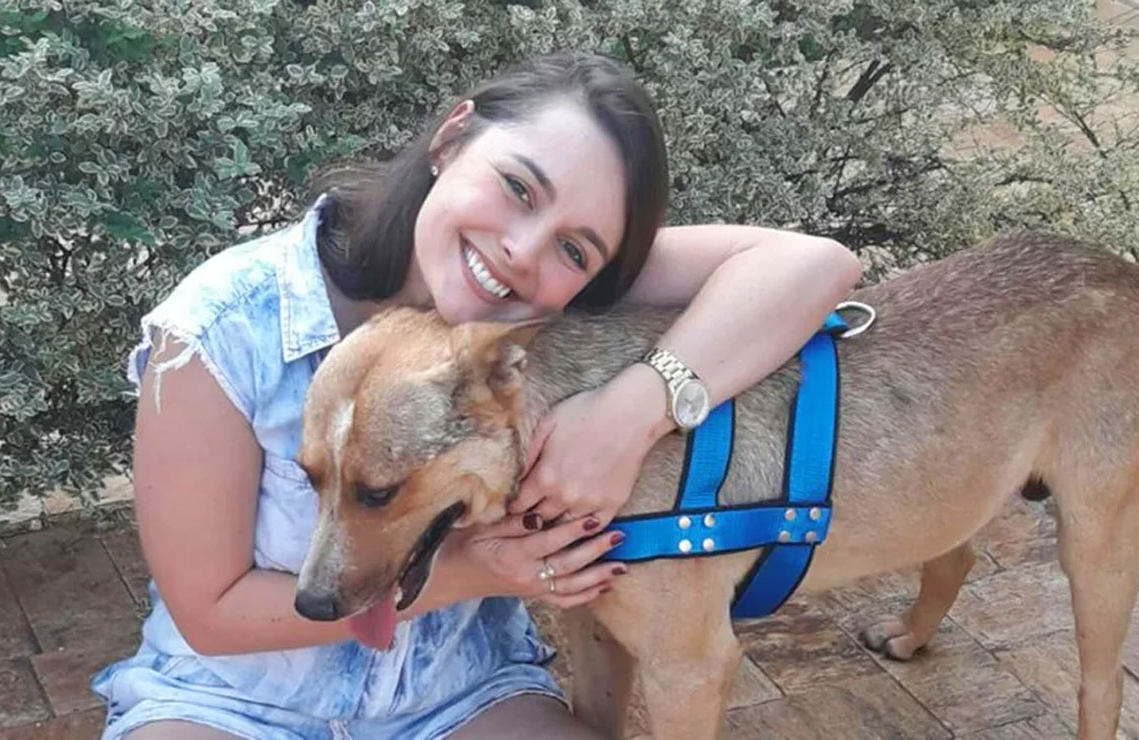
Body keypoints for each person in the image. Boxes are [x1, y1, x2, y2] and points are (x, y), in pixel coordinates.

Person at [92, 50, 862, 739]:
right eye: (518, 187)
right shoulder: (222, 329)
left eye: (575, 247)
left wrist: (632, 409)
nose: (521, 251)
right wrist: (485, 569)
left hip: (463, 698)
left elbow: (816, 266)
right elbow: (210, 613)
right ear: (452, 139)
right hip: (227, 706)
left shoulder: (550, 295)